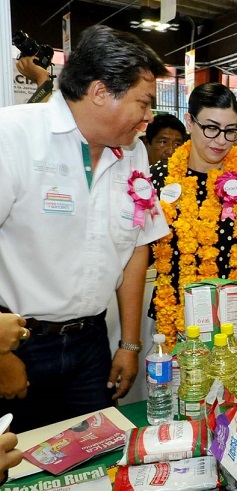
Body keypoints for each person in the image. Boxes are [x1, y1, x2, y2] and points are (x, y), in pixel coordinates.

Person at [0, 25, 169, 432]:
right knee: (19, 466)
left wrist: (129, 343)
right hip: (19, 342)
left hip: (91, 343)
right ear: (99, 92)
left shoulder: (134, 154)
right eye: (143, 103)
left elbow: (136, 247)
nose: (149, 118)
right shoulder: (14, 135)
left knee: (91, 460)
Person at [150, 83, 237, 378]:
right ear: (190, 123)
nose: (221, 140)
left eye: (230, 130)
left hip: (236, 323)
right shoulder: (160, 178)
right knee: (177, 414)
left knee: (229, 414)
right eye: (211, 128)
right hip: (172, 322)